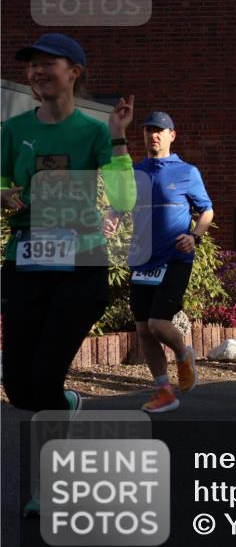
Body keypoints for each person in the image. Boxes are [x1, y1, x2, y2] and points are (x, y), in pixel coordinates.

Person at [1, 34, 136, 516]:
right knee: (20, 388)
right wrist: (3, 192)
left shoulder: (95, 132)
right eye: (32, 66)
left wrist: (119, 134)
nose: (37, 72)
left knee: (45, 373)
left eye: (47, 64)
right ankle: (67, 403)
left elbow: (122, 199)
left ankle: (46, 485)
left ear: (74, 71)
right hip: (26, 262)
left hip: (80, 267)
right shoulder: (14, 129)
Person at [104, 111, 213, 413]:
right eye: (149, 130)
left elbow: (206, 211)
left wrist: (195, 236)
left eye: (159, 131)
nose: (153, 135)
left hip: (176, 258)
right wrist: (112, 219)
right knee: (143, 330)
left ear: (171, 135)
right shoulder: (136, 171)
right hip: (142, 259)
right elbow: (119, 206)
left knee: (158, 323)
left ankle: (183, 352)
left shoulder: (187, 172)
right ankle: (165, 391)